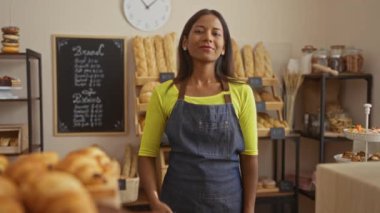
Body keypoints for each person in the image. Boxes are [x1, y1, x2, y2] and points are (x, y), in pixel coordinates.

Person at [138, 8, 258, 213]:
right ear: (185, 42)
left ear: (223, 47)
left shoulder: (242, 92)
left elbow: (250, 157)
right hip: (177, 203)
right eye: (199, 31)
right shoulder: (164, 93)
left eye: (216, 33)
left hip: (228, 203)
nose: (208, 38)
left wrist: (249, 210)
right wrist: (154, 201)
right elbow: (146, 154)